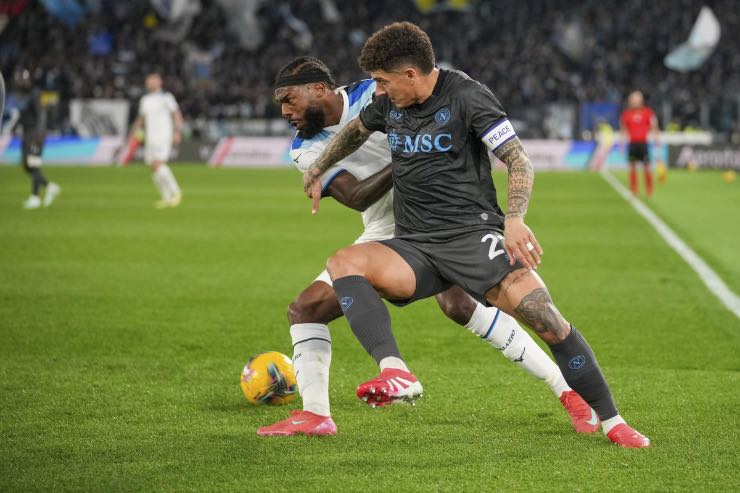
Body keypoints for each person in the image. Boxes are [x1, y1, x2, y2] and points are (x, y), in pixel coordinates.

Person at [302, 22, 650, 448]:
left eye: (382, 80)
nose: (378, 90)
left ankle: (613, 421)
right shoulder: (388, 104)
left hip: (472, 236)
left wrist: (515, 219)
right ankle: (396, 371)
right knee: (344, 262)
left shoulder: (467, 96)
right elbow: (355, 131)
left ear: (410, 74)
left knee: (546, 318)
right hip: (414, 244)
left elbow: (518, 159)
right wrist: (319, 166)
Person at [258, 57, 598, 437]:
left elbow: (442, 100)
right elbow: (355, 196)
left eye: (289, 100)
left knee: (464, 305)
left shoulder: (378, 91)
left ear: (318, 89)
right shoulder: (304, 149)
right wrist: (413, 158)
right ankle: (316, 415)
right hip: (385, 231)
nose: (285, 112)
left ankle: (568, 390)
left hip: (446, 219)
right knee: (306, 309)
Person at [129, 72, 183, 208]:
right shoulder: (145, 100)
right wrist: (134, 131)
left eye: (153, 80)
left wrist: (177, 131)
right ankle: (166, 197)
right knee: (153, 167)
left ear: (159, 82)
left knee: (158, 163)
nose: (150, 83)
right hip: (150, 137)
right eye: (149, 81)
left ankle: (176, 193)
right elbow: (141, 118)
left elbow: (176, 114)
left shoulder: (166, 97)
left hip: (163, 136)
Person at [9, 68, 60, 209]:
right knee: (27, 165)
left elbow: (41, 115)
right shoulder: (23, 96)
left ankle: (38, 195)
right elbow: (23, 115)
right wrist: (14, 128)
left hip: (35, 134)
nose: (19, 83)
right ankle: (46, 189)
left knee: (32, 164)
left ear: (27, 80)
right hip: (27, 134)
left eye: (21, 80)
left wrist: (39, 134)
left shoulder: (35, 94)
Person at [620, 91, 659, 196]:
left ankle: (649, 189)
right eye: (633, 100)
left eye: (636, 99)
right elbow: (623, 129)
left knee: (647, 166)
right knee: (632, 167)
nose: (634, 102)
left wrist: (656, 139)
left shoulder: (647, 112)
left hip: (643, 144)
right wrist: (621, 144)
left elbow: (654, 126)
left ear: (641, 100)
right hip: (632, 145)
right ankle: (634, 190)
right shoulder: (626, 114)